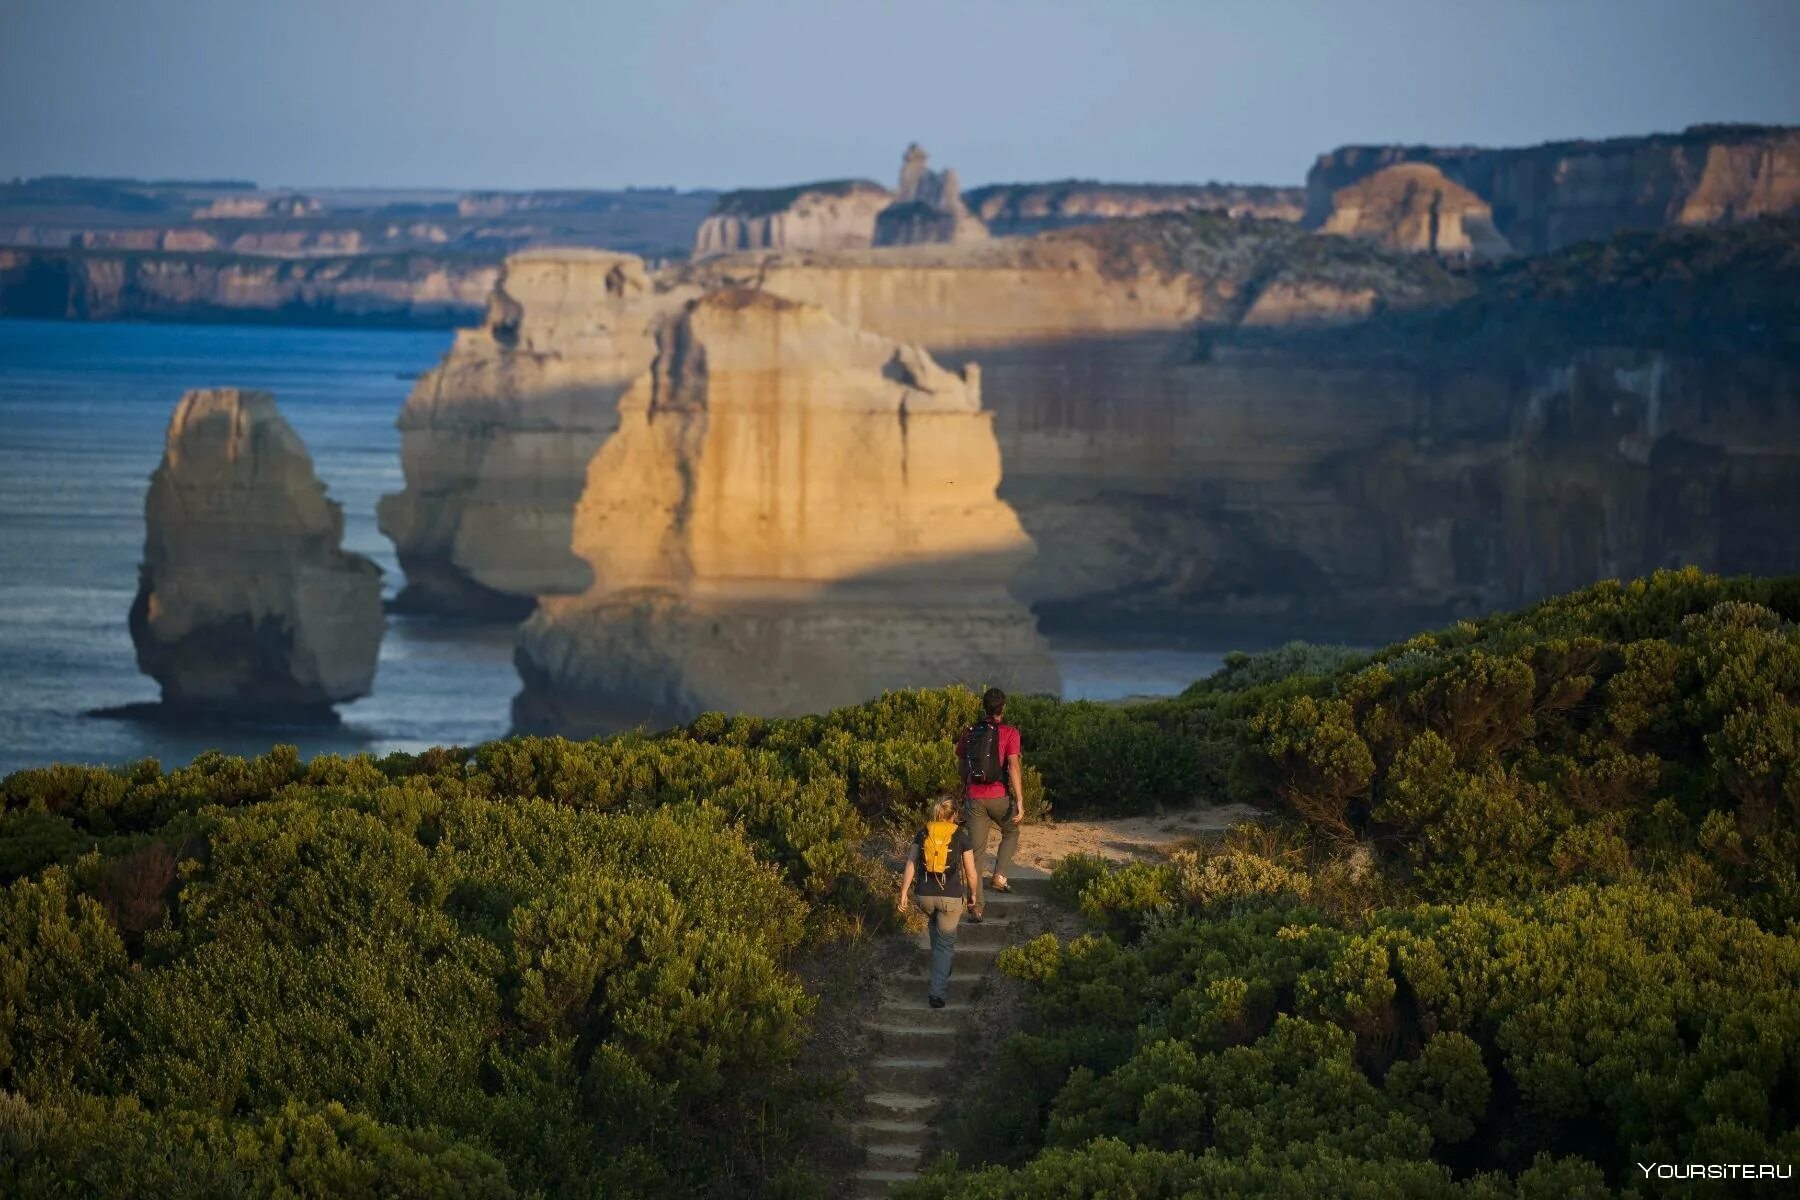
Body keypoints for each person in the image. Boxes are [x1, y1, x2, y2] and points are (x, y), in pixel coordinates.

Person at [897, 795, 981, 1008]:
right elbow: (971, 873)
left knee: (935, 927)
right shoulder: (961, 835)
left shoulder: (923, 832)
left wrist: (904, 893)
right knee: (945, 944)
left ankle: (942, 968)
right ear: (954, 815)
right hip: (950, 897)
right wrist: (973, 896)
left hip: (924, 895)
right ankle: (937, 994)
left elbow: (911, 863)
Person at [956, 686, 1024, 896]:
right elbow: (1013, 765)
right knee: (1011, 830)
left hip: (974, 797)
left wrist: (969, 784)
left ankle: (976, 906)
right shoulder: (1010, 732)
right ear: (1003, 707)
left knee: (976, 853)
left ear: (984, 707)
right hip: (999, 797)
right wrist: (1020, 799)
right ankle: (999, 876)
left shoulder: (969, 732)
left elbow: (960, 766)